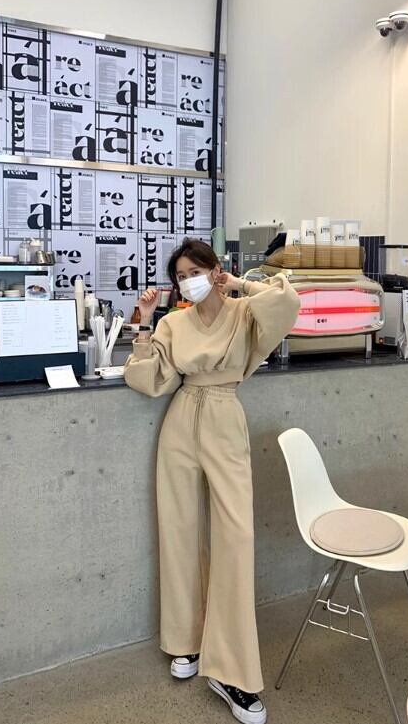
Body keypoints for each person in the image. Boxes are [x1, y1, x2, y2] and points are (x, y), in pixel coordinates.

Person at [124, 238, 300, 724]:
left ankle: (232, 671)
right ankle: (186, 640)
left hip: (224, 414)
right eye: (180, 276)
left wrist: (238, 282)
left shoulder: (246, 313)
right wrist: (142, 322)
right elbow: (149, 380)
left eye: (195, 272)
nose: (188, 282)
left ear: (215, 269)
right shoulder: (173, 322)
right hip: (181, 419)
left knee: (235, 539)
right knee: (179, 531)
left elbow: (288, 303)